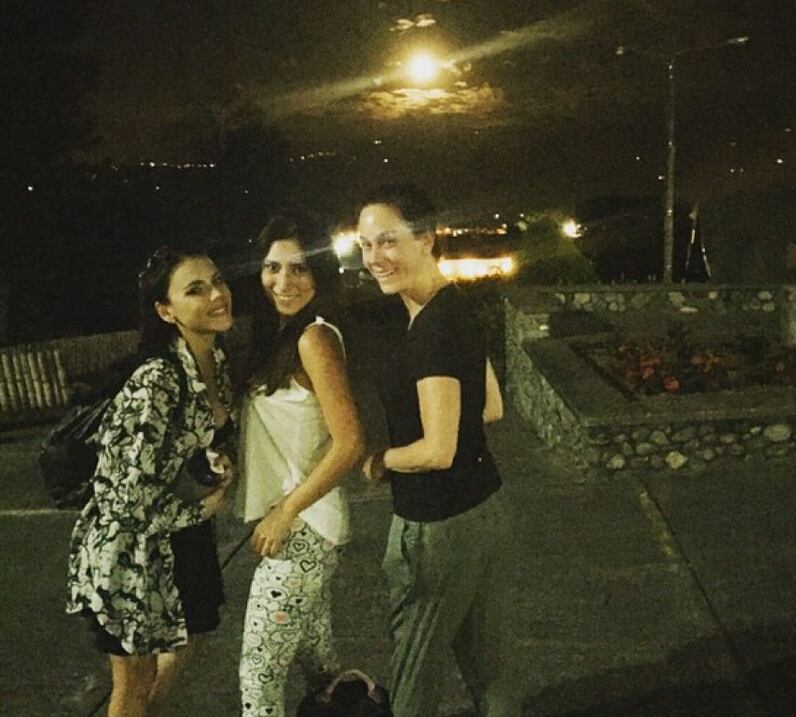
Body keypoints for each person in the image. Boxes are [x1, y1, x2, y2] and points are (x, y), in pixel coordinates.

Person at [357, 184, 520, 717]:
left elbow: (437, 451)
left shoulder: (430, 331)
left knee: (413, 685)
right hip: (485, 512)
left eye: (388, 241)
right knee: (492, 676)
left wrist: (381, 461)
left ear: (426, 238)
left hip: (437, 528)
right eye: (365, 245)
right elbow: (492, 406)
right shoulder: (456, 308)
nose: (374, 258)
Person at [66, 246, 235, 717]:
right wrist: (197, 509)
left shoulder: (215, 361)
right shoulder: (156, 380)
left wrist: (217, 462)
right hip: (133, 550)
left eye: (218, 281)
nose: (216, 294)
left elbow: (196, 438)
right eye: (195, 290)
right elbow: (121, 496)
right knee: (133, 682)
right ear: (166, 311)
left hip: (183, 539)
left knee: (194, 631)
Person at [237, 211, 365, 717]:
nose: (283, 281)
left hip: (304, 529)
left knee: (259, 675)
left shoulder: (314, 338)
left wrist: (285, 512)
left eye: (299, 268)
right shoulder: (281, 336)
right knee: (321, 667)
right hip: (301, 526)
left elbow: (350, 443)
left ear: (320, 274)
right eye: (273, 268)